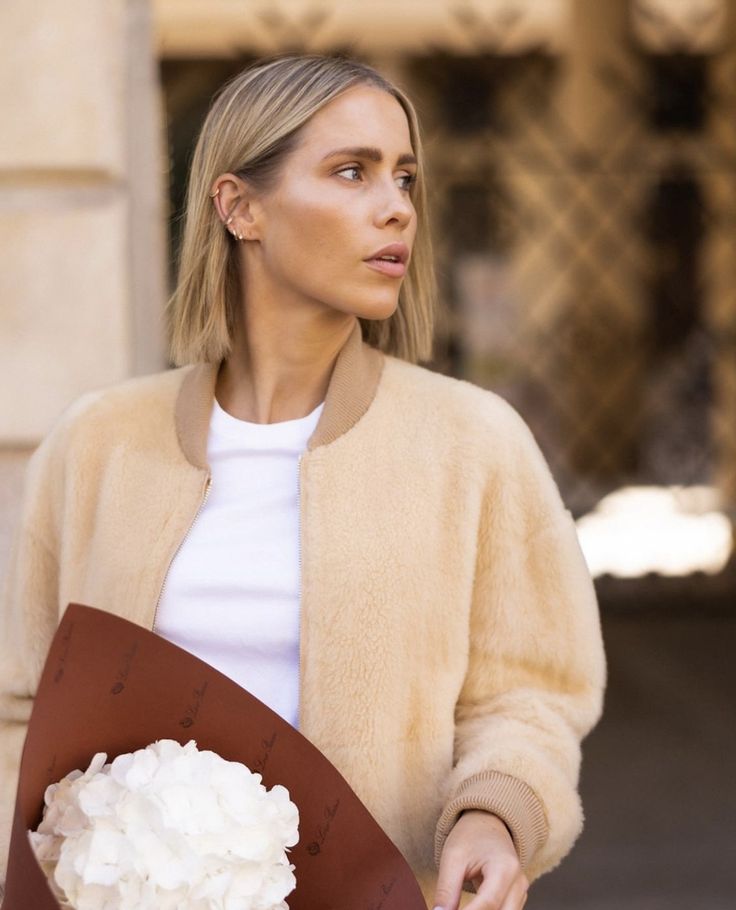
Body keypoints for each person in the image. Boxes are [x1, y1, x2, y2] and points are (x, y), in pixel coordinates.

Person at [0, 53, 607, 910]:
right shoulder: (99, 441)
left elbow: (532, 695)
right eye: (351, 172)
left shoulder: (472, 443)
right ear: (239, 205)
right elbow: (23, 705)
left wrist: (495, 815)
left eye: (403, 176)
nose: (396, 205)